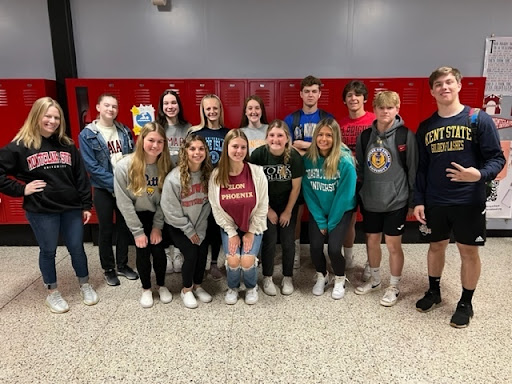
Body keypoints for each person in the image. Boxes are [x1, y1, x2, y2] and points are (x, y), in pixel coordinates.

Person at [413, 66, 505, 328]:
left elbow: (497, 158)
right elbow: (422, 167)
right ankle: (434, 291)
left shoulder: (478, 119)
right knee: (436, 246)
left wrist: (479, 174)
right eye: (439, 84)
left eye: (449, 82)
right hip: (436, 200)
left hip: (468, 200)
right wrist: (418, 200)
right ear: (432, 91)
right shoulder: (426, 126)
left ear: (459, 85)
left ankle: (466, 302)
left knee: (468, 251)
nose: (444, 87)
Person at [0, 97, 99, 313]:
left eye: (56, 117)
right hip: (42, 210)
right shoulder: (20, 146)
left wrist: (85, 204)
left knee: (76, 248)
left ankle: (85, 284)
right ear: (37, 116)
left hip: (71, 207)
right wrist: (20, 189)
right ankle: (52, 293)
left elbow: (80, 176)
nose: (52, 121)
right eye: (48, 116)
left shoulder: (67, 144)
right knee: (48, 250)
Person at [354, 91, 418, 307]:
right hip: (371, 199)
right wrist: (360, 194)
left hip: (396, 200)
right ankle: (375, 279)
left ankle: (394, 285)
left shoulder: (405, 136)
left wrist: (411, 201)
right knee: (371, 241)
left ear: (397, 109)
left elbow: (412, 170)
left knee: (392, 244)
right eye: (381, 107)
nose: (385, 111)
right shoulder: (364, 136)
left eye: (390, 107)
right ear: (374, 109)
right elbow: (361, 169)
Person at [79, 93, 139, 286]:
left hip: (125, 188)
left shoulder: (124, 131)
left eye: (114, 106)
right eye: (107, 105)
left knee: (124, 228)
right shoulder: (87, 134)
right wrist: (116, 183)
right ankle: (108, 269)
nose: (111, 109)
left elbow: (133, 158)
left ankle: (122, 265)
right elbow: (91, 167)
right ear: (97, 107)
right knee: (105, 230)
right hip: (103, 189)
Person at [114, 122, 173, 308]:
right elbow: (123, 203)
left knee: (159, 250)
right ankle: (146, 288)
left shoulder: (166, 165)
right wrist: (138, 232)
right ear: (142, 140)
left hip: (158, 215)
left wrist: (157, 226)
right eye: (151, 140)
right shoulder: (124, 166)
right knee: (142, 251)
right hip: (135, 217)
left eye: (160, 141)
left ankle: (162, 285)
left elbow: (167, 198)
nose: (155, 145)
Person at [208, 129, 268, 305]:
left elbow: (263, 206)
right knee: (234, 260)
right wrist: (231, 233)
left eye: (243, 147)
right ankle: (232, 287)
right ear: (226, 147)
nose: (239, 151)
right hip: (230, 226)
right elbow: (216, 208)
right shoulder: (216, 175)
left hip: (253, 224)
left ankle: (251, 287)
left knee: (247, 260)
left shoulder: (256, 172)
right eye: (235, 146)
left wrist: (250, 232)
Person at [302, 118, 356, 299]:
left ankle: (340, 278)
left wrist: (331, 224)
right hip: (319, 210)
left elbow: (344, 197)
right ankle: (322, 275)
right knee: (315, 248)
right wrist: (320, 220)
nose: (323, 139)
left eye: (329, 135)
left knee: (334, 248)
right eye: (320, 134)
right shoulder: (309, 160)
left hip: (340, 210)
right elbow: (308, 191)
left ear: (336, 138)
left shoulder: (345, 162)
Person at [283, 75, 334, 269]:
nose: (310, 95)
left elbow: (330, 147)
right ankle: (295, 252)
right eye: (307, 91)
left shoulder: (327, 119)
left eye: (314, 91)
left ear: (319, 94)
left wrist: (304, 144)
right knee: (297, 213)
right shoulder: (291, 119)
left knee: (324, 211)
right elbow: (287, 147)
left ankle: (329, 250)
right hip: (298, 173)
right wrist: (313, 147)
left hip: (321, 174)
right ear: (301, 94)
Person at [250, 120, 304, 296]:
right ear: (266, 138)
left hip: (288, 202)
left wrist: (288, 211)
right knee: (270, 240)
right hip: (266, 204)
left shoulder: (294, 156)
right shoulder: (258, 155)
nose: (276, 139)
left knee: (288, 240)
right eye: (272, 135)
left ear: (287, 138)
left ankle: (287, 276)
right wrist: (268, 210)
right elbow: (254, 186)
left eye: (280, 135)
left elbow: (296, 187)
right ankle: (267, 277)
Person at [161, 135, 213, 309]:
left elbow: (208, 205)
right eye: (192, 149)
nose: (197, 153)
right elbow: (170, 210)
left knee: (202, 250)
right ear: (185, 152)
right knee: (191, 252)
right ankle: (187, 289)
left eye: (200, 149)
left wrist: (200, 229)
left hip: (200, 223)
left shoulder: (208, 175)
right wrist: (189, 231)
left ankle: (198, 285)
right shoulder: (174, 178)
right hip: (177, 225)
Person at [189, 94, 229, 280]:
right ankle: (198, 262)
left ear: (220, 110)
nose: (212, 112)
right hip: (200, 186)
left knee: (215, 225)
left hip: (220, 187)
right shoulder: (195, 133)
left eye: (215, 108)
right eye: (208, 109)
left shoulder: (227, 133)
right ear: (203, 111)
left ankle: (213, 263)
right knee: (199, 224)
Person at [338, 80, 376, 275]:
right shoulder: (341, 124)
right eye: (349, 95)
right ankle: (349, 257)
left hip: (371, 180)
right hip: (349, 180)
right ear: (345, 100)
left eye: (357, 95)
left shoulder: (374, 121)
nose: (353, 98)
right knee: (349, 221)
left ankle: (371, 263)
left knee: (371, 223)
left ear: (365, 99)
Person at [156, 89, 191, 275]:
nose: (170, 107)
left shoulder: (188, 128)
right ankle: (166, 252)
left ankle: (178, 251)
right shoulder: (157, 127)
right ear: (162, 107)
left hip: (181, 181)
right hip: (161, 181)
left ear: (178, 106)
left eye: (173, 103)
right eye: (166, 104)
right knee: (162, 216)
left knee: (179, 215)